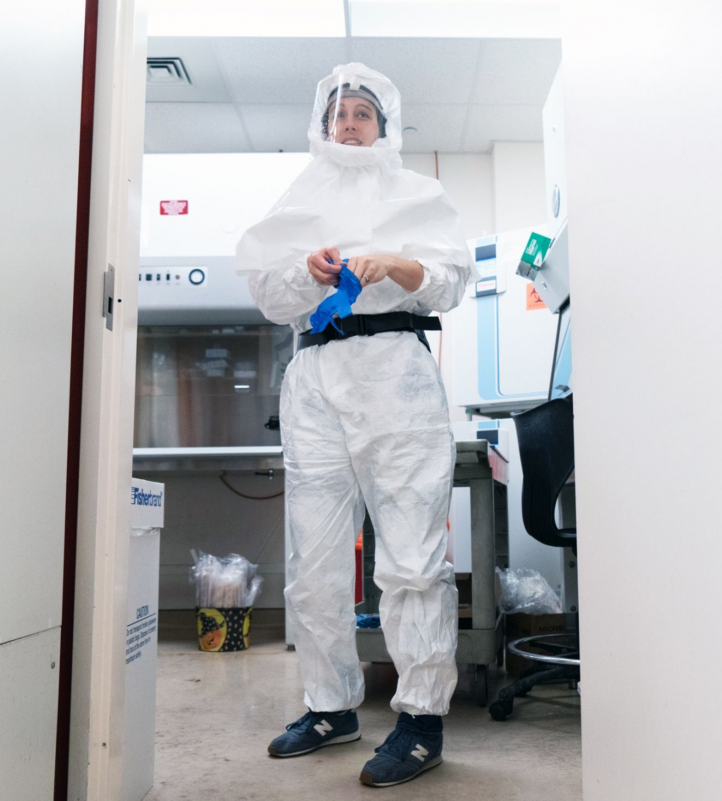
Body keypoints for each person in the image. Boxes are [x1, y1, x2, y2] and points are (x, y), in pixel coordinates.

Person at [236, 63, 474, 787]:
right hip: (314, 376)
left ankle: (422, 720)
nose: (349, 121)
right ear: (322, 123)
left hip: (396, 371)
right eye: (338, 111)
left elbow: (452, 280)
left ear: (384, 124)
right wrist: (308, 270)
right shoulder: (299, 196)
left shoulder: (418, 194)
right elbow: (270, 293)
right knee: (315, 562)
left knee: (407, 555)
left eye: (363, 111)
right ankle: (331, 705)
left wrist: (397, 264)